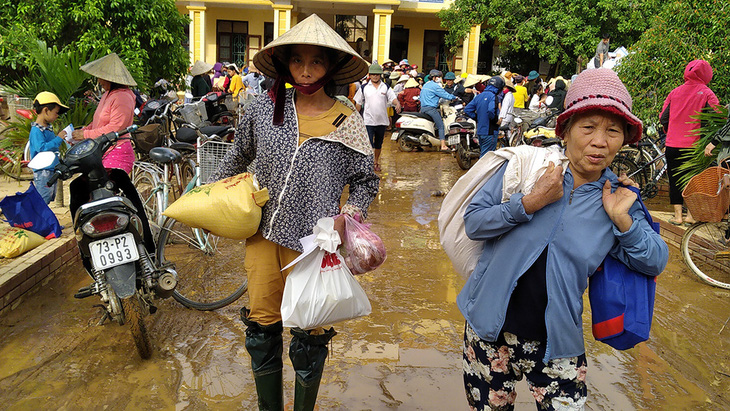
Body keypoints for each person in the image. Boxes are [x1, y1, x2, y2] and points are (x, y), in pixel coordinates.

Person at [459, 68, 668, 410]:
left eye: (613, 131)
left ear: (623, 140)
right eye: (588, 127)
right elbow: (475, 223)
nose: (600, 141)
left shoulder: (618, 198)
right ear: (566, 130)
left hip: (557, 342)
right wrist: (530, 202)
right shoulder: (525, 168)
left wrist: (623, 222)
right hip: (487, 331)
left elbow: (656, 260)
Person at [209, 14, 378, 411]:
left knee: (310, 337)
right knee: (262, 328)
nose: (305, 71)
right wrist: (206, 194)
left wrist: (347, 214)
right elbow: (236, 158)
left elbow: (367, 181)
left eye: (316, 61)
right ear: (284, 64)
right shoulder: (262, 110)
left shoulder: (347, 120)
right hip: (263, 236)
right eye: (297, 61)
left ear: (331, 67)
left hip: (315, 246)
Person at [660, 59, 720, 225]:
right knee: (693, 181)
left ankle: (678, 216)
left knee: (674, 179)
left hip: (672, 145)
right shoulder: (707, 93)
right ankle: (691, 216)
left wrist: (670, 132)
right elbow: (718, 116)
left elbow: (663, 117)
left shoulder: (674, 92)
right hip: (694, 147)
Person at [71, 53, 137, 174]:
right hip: (102, 150)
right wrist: (82, 132)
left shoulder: (122, 97)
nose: (99, 81)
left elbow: (115, 128)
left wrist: (86, 134)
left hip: (116, 151)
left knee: (106, 191)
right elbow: (98, 121)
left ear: (111, 79)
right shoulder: (108, 95)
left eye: (101, 78)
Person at [355, 62, 401, 172]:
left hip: (382, 121)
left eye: (377, 74)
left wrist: (397, 104)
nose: (375, 76)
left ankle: (376, 162)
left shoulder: (385, 87)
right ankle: (369, 163)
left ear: (380, 75)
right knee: (369, 143)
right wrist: (356, 117)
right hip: (368, 121)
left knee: (379, 144)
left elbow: (393, 98)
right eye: (373, 74)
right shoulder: (364, 87)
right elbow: (358, 103)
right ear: (369, 75)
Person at [29, 92, 69, 204]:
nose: (57, 116)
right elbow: (42, 148)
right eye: (56, 113)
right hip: (43, 171)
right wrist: (58, 139)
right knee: (43, 200)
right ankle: (39, 221)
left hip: (50, 169)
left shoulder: (47, 129)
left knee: (48, 198)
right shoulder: (37, 130)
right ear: (46, 110)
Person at [464, 76, 503, 157]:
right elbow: (491, 111)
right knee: (486, 157)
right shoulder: (493, 97)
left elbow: (467, 109)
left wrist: (477, 117)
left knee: (483, 153)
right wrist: (496, 121)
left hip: (480, 131)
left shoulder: (479, 96)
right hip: (490, 132)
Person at [419, 69, 457, 151]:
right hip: (431, 109)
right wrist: (454, 97)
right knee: (441, 126)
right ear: (434, 77)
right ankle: (443, 146)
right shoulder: (435, 86)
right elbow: (445, 95)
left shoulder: (426, 85)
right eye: (438, 77)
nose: (439, 79)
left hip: (423, 108)